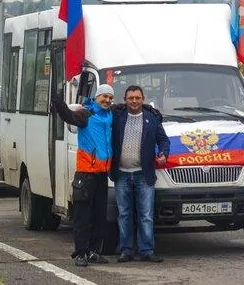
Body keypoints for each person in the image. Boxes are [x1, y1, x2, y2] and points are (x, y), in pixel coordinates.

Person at [51, 84, 114, 267]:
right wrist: (58, 101)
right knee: (82, 217)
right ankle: (80, 253)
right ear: (97, 97)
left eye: (110, 98)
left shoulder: (110, 115)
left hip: (102, 174)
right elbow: (68, 117)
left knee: (99, 216)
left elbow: (131, 107)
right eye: (104, 97)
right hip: (85, 175)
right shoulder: (86, 114)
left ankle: (94, 251)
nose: (107, 100)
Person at [110, 85, 170, 263]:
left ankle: (146, 251)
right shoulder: (117, 117)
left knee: (146, 215)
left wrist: (164, 154)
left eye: (137, 98)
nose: (134, 101)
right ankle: (126, 250)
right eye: (131, 98)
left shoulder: (152, 118)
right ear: (125, 99)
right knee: (124, 215)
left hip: (143, 174)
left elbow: (163, 140)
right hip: (121, 174)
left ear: (143, 99)